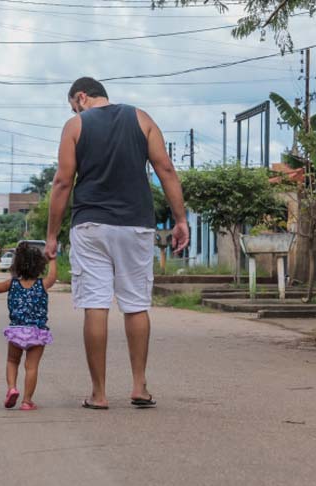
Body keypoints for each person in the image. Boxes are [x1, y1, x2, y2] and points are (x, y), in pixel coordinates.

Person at [45, 77, 189, 410]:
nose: (73, 110)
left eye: (73, 105)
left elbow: (63, 182)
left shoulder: (75, 126)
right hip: (135, 226)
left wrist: (52, 234)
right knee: (136, 305)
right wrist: (180, 219)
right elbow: (165, 168)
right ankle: (139, 386)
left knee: (96, 304)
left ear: (81, 97)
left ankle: (99, 393)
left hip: (91, 226)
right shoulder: (142, 119)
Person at [0, 242, 57, 411]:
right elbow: (53, 275)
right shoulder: (42, 284)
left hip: (17, 331)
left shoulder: (12, 284)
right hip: (37, 332)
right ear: (40, 266)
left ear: (16, 265)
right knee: (31, 367)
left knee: (12, 361)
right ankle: (27, 401)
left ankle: (12, 388)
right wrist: (52, 258)